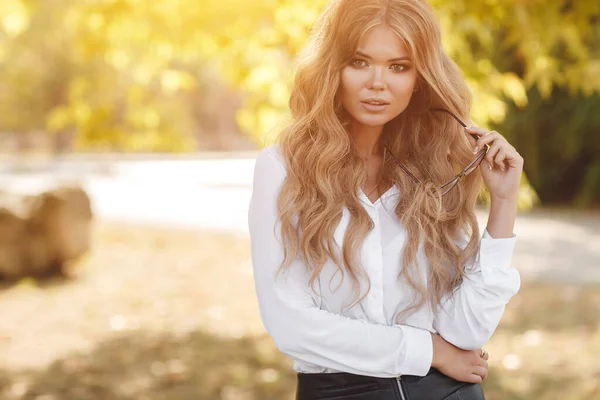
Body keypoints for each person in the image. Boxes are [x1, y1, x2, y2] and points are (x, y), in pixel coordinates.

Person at [247, 0, 523, 398]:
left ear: (420, 78)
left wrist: (503, 204)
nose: (378, 83)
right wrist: (427, 350)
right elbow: (291, 326)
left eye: (399, 66)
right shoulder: (283, 169)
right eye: (359, 62)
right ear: (332, 69)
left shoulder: (437, 170)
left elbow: (467, 331)